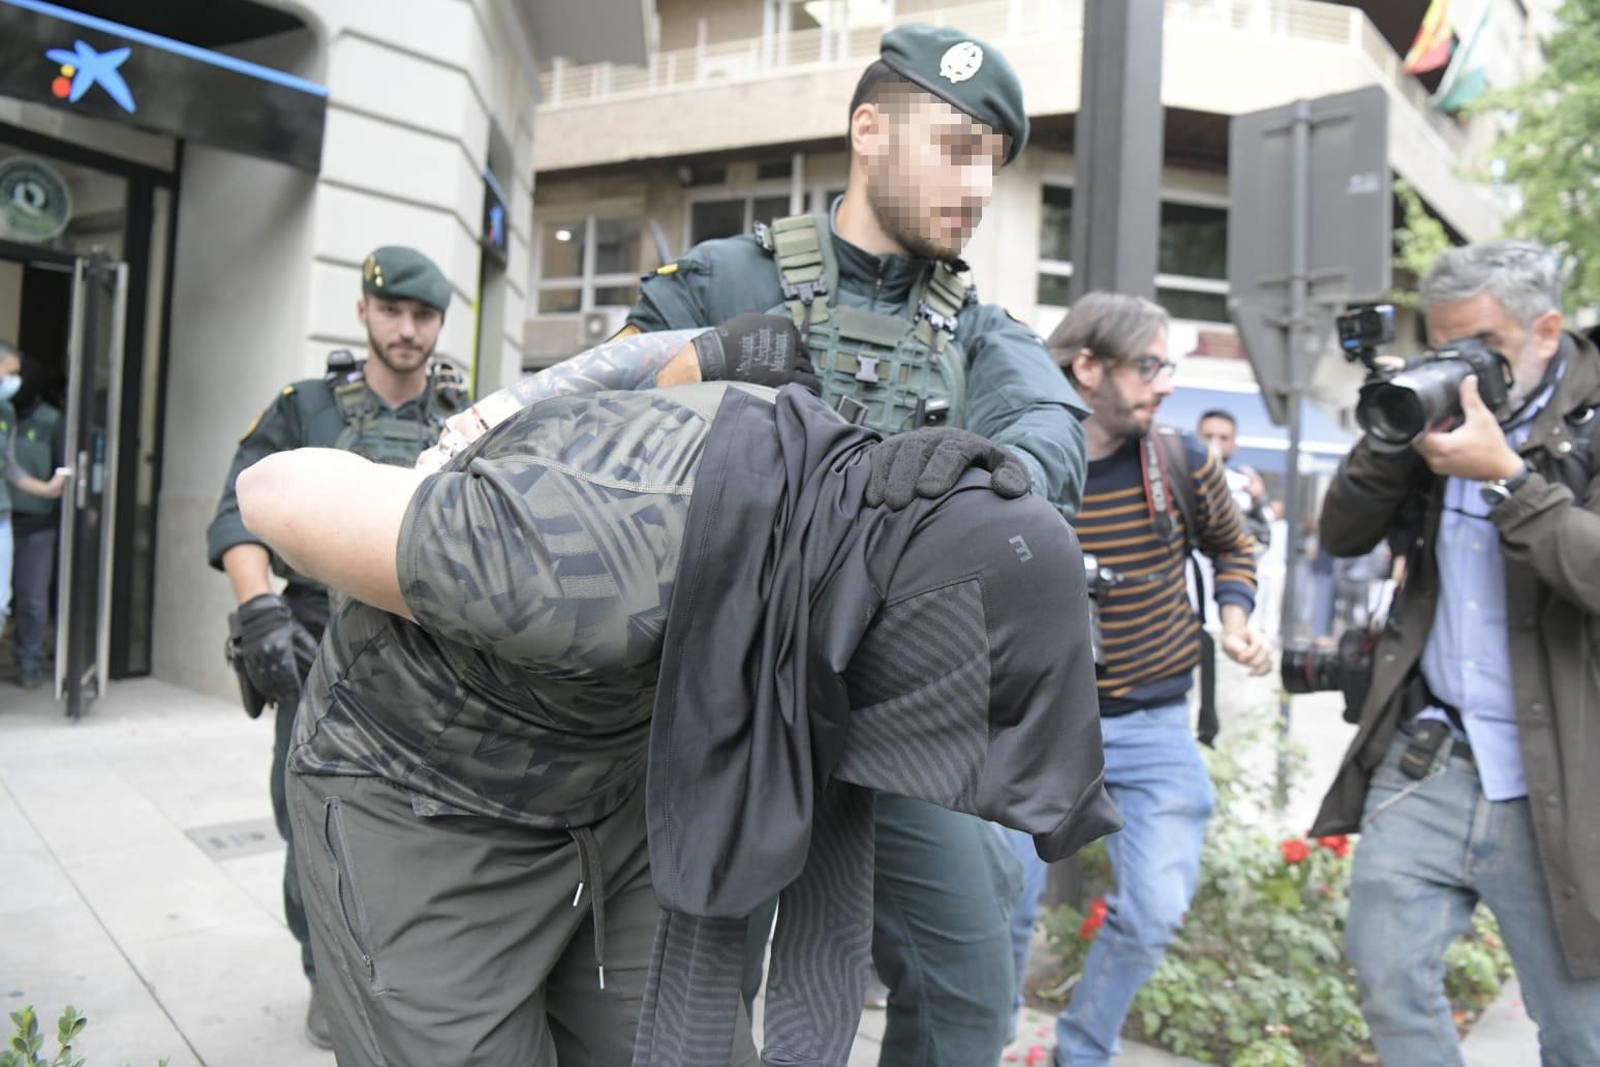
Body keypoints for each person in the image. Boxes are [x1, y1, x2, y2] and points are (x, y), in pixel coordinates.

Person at [234, 321, 1120, 1067]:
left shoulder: (837, 511)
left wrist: (948, 504)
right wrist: (467, 461)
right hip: (425, 804)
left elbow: (695, 362)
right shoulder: (577, 565)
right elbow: (271, 488)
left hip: (614, 801)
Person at [620, 24, 1090, 1063]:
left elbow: (1052, 436)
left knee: (968, 973)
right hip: (718, 693)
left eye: (994, 165)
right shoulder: (719, 281)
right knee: (694, 965)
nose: (978, 186)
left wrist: (975, 465)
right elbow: (601, 425)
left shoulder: (976, 332)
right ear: (869, 131)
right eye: (957, 147)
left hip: (894, 708)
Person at [1312, 240, 1600, 1064]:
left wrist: (1509, 478)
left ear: (1546, 331)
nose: (1468, 371)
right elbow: (1341, 533)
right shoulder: (1442, 409)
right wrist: (1396, 424)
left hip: (1564, 779)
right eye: (1448, 349)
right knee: (1389, 977)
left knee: (1579, 1030)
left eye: (1486, 349)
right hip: (1432, 753)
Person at [203, 246, 467, 1048]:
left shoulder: (465, 416)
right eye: (393, 311)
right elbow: (236, 512)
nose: (408, 330)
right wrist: (258, 612)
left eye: (424, 317)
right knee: (314, 826)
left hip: (431, 659)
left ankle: (414, 977)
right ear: (364, 310)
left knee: (434, 830)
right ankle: (327, 973)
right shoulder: (307, 405)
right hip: (317, 647)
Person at [1003, 291, 1270, 1067]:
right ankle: (980, 1042)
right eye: (1149, 365)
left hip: (1153, 726)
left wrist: (1237, 615)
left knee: (1152, 910)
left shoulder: (1184, 460)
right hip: (1029, 728)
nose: (1166, 384)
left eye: (1169, 365)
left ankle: (1079, 1052)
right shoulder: (1016, 459)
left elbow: (1235, 547)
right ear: (1087, 367)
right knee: (1000, 908)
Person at [0, 343, 68, 689]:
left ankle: (28, 662)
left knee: (24, 601)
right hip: (9, 518)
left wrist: (48, 491)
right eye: (8, 374)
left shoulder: (42, 419)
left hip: (26, 522)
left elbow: (10, 468)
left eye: (17, 375)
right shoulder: (8, 413)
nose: (14, 382)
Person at [1196, 408, 1270, 546]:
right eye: (1208, 436)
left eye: (1223, 438)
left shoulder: (1242, 483)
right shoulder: (1178, 478)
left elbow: (1261, 542)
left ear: (1234, 444)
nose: (1215, 443)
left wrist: (1257, 503)